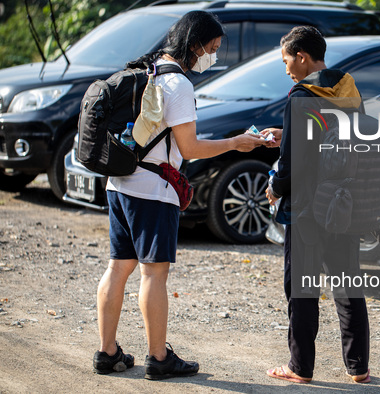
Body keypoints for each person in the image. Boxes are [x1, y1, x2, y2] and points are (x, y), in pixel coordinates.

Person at [92, 11, 264, 380]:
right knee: (154, 274)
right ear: (194, 45)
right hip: (153, 191)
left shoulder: (149, 70)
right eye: (212, 49)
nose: (213, 56)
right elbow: (189, 148)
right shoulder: (180, 85)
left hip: (120, 183)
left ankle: (107, 353)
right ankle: (159, 358)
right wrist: (236, 143)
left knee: (118, 267)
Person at [262, 26, 371, 384]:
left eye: (287, 60)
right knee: (347, 282)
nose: (287, 68)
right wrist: (285, 135)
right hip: (344, 203)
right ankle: (359, 368)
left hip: (307, 207)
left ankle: (300, 367)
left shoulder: (301, 95)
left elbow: (296, 162)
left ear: (302, 56)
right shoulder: (348, 91)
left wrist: (276, 187)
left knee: (302, 287)